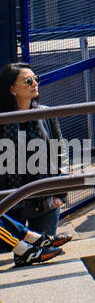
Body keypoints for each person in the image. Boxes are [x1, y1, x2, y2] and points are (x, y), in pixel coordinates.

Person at [0, 63, 75, 253]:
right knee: (11, 255)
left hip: (45, 200)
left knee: (44, 254)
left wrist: (61, 192)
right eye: (27, 81)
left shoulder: (45, 113)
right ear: (11, 89)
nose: (35, 83)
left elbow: (61, 153)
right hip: (10, 201)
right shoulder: (2, 119)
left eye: (36, 79)